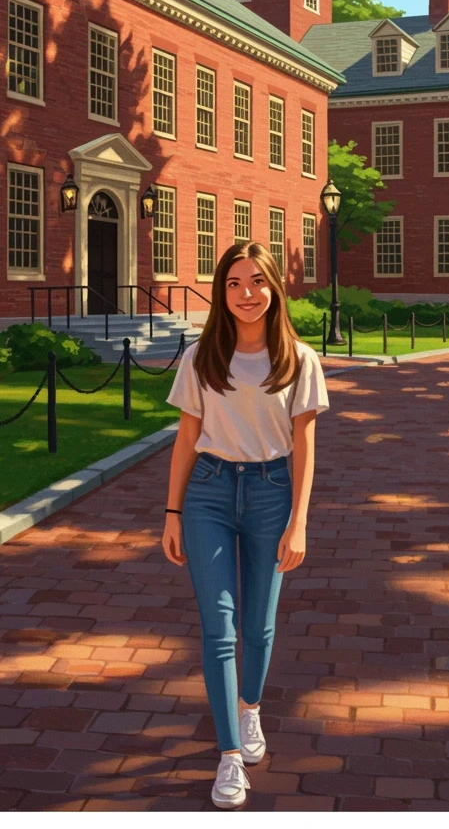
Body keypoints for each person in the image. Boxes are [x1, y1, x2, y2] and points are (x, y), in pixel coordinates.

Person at [161, 240, 330, 809]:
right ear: (220, 292)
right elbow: (186, 438)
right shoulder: (201, 356)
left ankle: (250, 710)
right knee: (220, 627)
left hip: (271, 493)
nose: (246, 294)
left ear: (275, 288)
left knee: (259, 624)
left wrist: (299, 521)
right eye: (234, 284)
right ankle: (230, 754)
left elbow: (304, 445)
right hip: (209, 491)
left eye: (257, 281)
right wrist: (173, 511)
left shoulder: (299, 360)